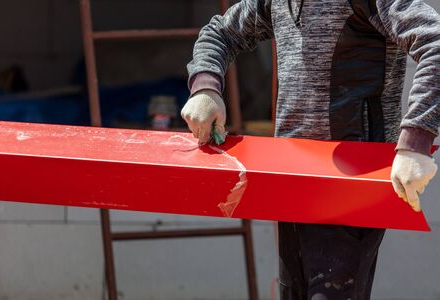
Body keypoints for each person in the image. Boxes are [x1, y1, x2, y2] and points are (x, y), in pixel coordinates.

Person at [180, 0, 440, 299]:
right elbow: (220, 33)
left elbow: (435, 43)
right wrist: (205, 87)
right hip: (291, 178)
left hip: (352, 184)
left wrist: (416, 140)